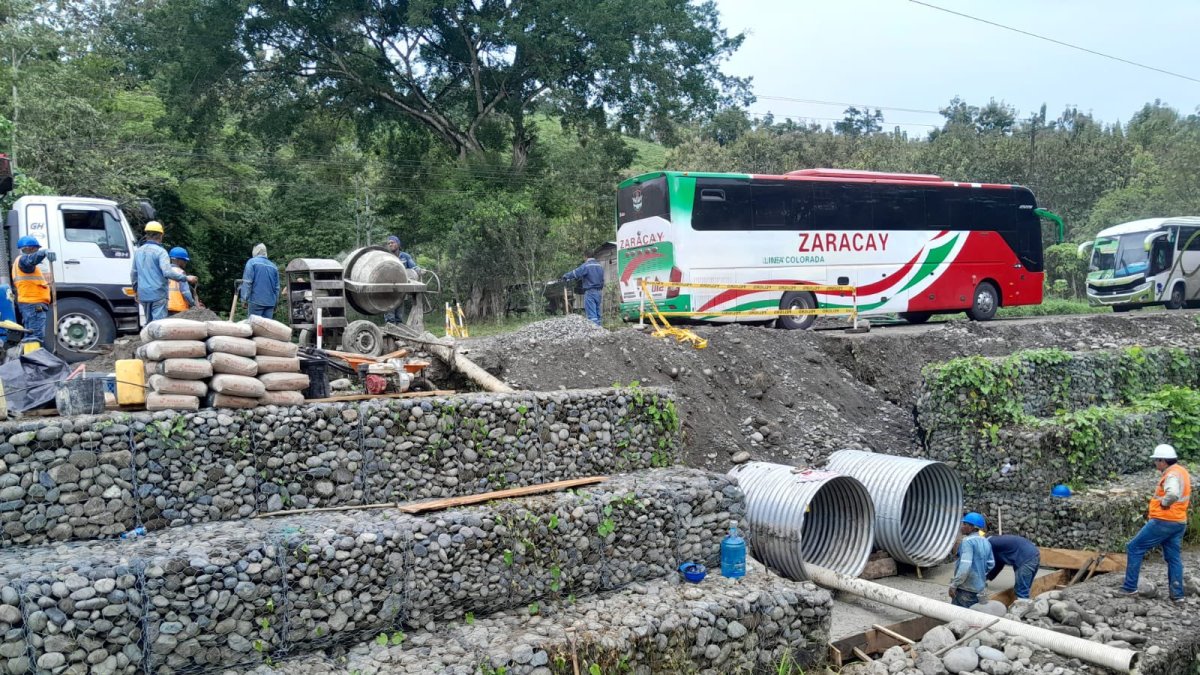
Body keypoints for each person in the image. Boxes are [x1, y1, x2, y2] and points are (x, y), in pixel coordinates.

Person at [1120, 444, 1190, 602]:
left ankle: (1129, 588)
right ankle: (1177, 595)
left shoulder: (1171, 475)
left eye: (1156, 461)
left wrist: (1165, 503)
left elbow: (1172, 494)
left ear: (1163, 461)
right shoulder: (1181, 471)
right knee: (1173, 558)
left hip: (1164, 520)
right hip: (1179, 521)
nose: (1155, 464)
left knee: (1134, 547)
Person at [132, 221, 192, 324]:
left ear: (146, 234)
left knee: (149, 323)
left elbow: (134, 274)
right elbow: (167, 272)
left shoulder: (138, 251)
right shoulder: (161, 252)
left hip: (143, 294)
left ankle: (148, 339)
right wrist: (186, 278)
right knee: (159, 324)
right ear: (161, 235)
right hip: (158, 294)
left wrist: (136, 290)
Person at [11, 236, 53, 344]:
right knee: (35, 336)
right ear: (30, 249)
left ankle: (28, 358)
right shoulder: (23, 261)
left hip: (30, 304)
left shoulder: (20, 263)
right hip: (33, 304)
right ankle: (33, 358)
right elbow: (31, 259)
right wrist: (44, 252)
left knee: (31, 335)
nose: (37, 251)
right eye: (36, 249)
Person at [949, 512, 994, 608]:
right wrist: (979, 573)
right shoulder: (986, 541)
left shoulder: (967, 542)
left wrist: (954, 584)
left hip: (965, 589)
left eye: (965, 524)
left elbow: (965, 566)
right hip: (980, 589)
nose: (962, 526)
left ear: (972, 527)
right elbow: (991, 564)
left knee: (958, 617)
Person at [986, 534, 1041, 601]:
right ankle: (1027, 604)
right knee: (1025, 587)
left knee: (1021, 590)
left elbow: (992, 563)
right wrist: (987, 577)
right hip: (1034, 555)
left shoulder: (989, 543)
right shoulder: (997, 542)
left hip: (1025, 559)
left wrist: (983, 578)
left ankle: (1022, 608)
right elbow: (999, 564)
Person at [384, 235, 418, 324]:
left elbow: (414, 267)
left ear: (398, 244)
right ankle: (390, 329)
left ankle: (398, 332)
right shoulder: (385, 257)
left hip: (401, 291)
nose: (390, 244)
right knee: (390, 317)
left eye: (392, 242)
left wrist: (419, 270)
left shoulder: (405, 256)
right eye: (389, 243)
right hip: (388, 290)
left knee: (399, 317)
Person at [561, 257, 605, 326]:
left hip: (590, 292)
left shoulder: (586, 265)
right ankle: (601, 331)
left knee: (592, 315)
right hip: (599, 292)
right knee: (598, 314)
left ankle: (595, 333)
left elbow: (576, 273)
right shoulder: (600, 266)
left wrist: (566, 276)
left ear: (585, 257)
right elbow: (602, 280)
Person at [240, 243, 279, 319]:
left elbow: (247, 282)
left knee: (254, 327)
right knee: (265, 329)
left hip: (256, 301)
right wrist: (276, 304)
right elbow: (277, 288)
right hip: (270, 303)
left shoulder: (252, 262)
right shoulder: (274, 267)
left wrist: (244, 299)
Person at [166, 247, 200, 315]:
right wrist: (194, 304)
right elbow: (186, 292)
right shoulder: (180, 272)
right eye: (184, 260)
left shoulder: (165, 271)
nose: (186, 262)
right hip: (179, 308)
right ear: (178, 260)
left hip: (165, 307)